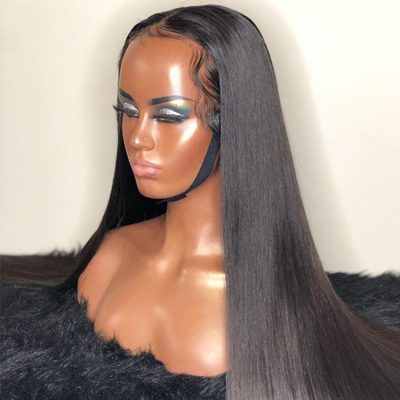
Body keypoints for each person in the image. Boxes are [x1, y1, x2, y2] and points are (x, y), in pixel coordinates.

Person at [1, 4, 400, 400]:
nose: (138, 137)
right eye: (128, 110)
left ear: (234, 121)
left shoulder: (254, 308)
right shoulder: (110, 256)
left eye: (169, 115)